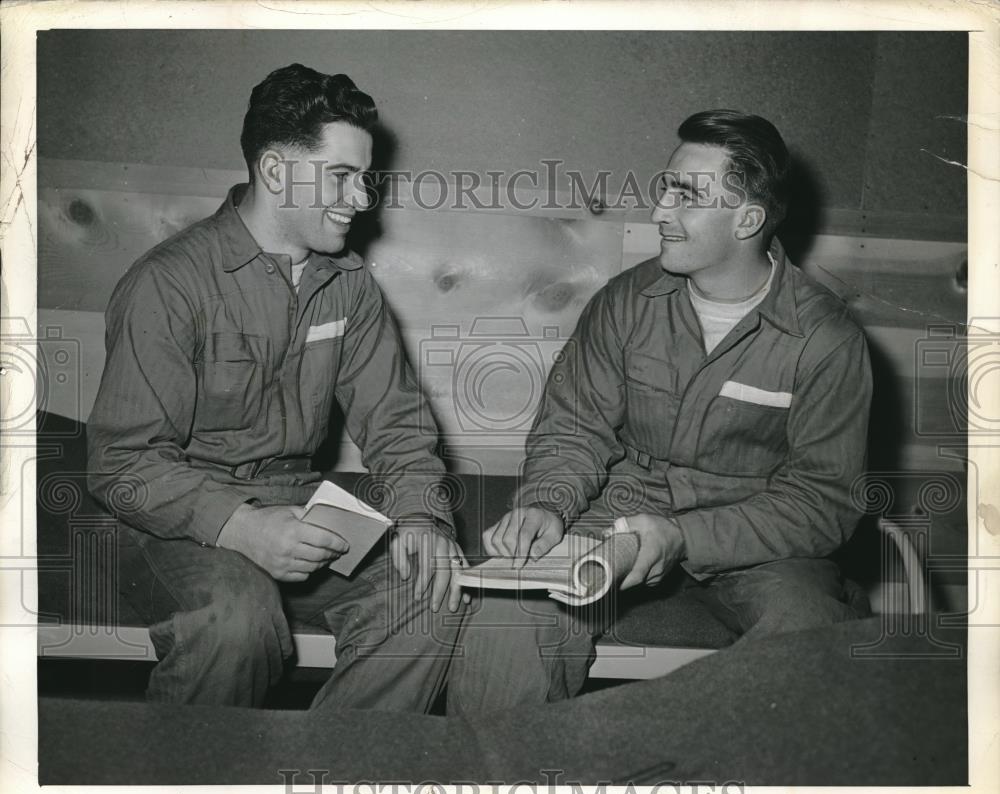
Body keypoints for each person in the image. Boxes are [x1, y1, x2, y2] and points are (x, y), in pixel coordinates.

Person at [447, 110, 873, 712]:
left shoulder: (827, 340)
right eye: (665, 187)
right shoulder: (626, 301)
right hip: (619, 513)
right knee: (508, 616)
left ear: (747, 219)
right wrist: (548, 501)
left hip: (763, 537)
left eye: (688, 196)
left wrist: (682, 537)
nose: (660, 211)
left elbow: (824, 500)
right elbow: (574, 428)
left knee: (808, 634)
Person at [87, 64, 467, 710]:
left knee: (429, 595)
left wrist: (422, 517)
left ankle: (323, 782)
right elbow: (121, 464)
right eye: (341, 176)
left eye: (365, 179)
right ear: (273, 172)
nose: (359, 199)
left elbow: (398, 424)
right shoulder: (168, 284)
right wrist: (240, 525)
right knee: (238, 621)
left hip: (297, 500)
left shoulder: (347, 285)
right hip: (169, 518)